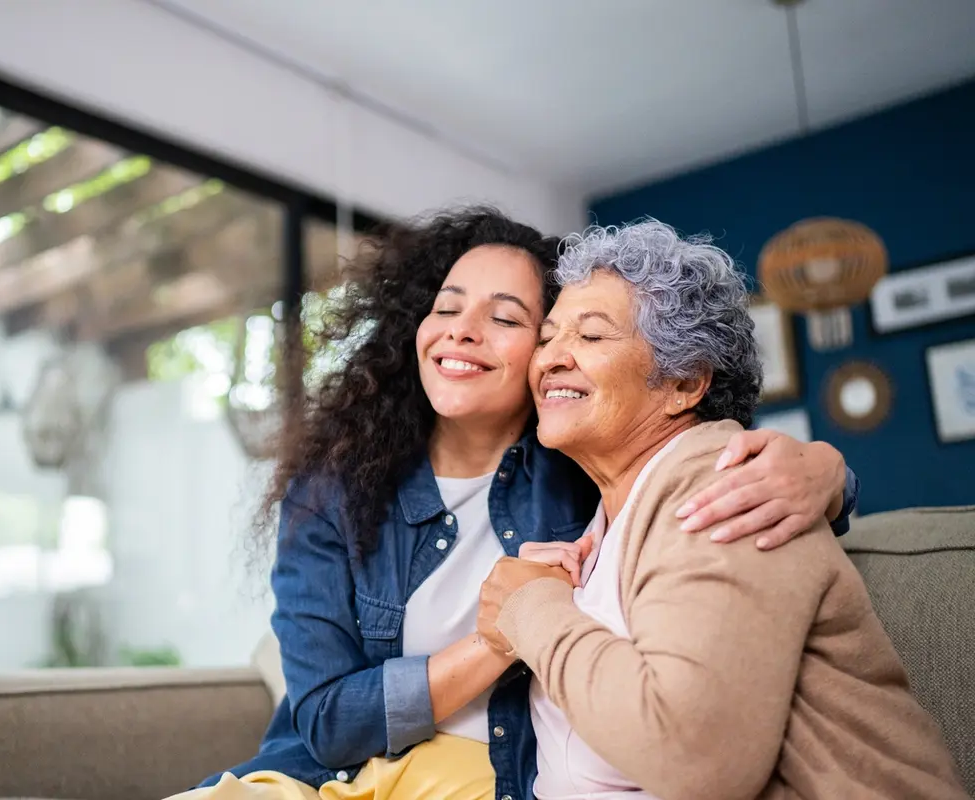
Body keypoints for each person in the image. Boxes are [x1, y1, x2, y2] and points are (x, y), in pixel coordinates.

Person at [174, 208, 859, 800]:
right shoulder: (333, 492)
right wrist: (497, 638)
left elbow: (701, 478)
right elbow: (326, 724)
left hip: (486, 778)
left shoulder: (582, 468)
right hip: (324, 778)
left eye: (506, 317)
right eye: (445, 307)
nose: (461, 331)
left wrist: (830, 473)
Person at [477, 220, 962, 799]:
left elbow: (694, 755)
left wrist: (532, 610)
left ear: (683, 382)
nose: (551, 358)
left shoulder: (725, 483)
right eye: (550, 336)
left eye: (592, 336)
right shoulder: (605, 519)